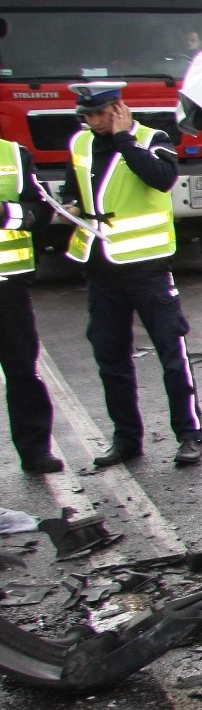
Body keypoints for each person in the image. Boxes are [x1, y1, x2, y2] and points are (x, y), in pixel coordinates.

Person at [61, 81, 202, 467]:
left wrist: (125, 141)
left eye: (98, 115)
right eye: (86, 116)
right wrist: (71, 207)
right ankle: (126, 439)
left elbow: (161, 178)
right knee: (111, 358)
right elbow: (76, 190)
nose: (91, 122)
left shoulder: (151, 137)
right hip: (101, 270)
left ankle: (190, 435)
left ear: (118, 110)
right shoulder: (80, 144)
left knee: (172, 354)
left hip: (148, 267)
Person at [0, 140, 63, 474]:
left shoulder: (13, 155)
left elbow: (43, 210)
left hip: (8, 285)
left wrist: (6, 214)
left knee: (23, 369)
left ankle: (35, 450)